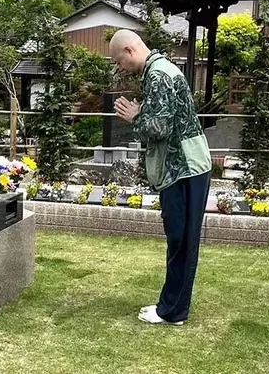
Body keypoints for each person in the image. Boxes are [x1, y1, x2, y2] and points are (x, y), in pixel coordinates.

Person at [109, 29, 212, 326]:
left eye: (118, 61)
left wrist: (135, 117)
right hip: (186, 167)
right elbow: (168, 117)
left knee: (181, 241)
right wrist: (144, 111)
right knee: (180, 239)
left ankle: (173, 311)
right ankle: (170, 305)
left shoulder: (158, 75)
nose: (120, 68)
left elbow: (159, 129)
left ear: (129, 51)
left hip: (184, 168)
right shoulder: (161, 69)